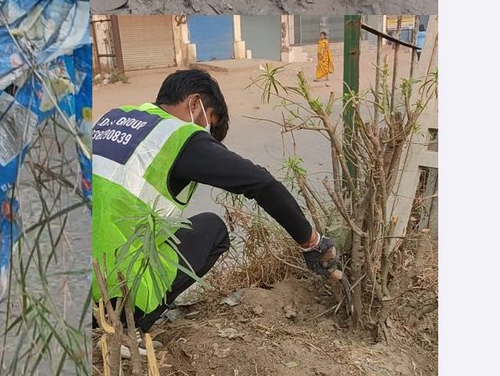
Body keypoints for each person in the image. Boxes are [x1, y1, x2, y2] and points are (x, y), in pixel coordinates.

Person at [92, 69, 340, 333]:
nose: (204, 132)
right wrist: (310, 241)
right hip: (110, 295)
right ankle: (134, 322)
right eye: (208, 122)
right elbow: (261, 183)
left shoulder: (114, 118)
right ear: (194, 103)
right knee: (213, 229)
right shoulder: (177, 136)